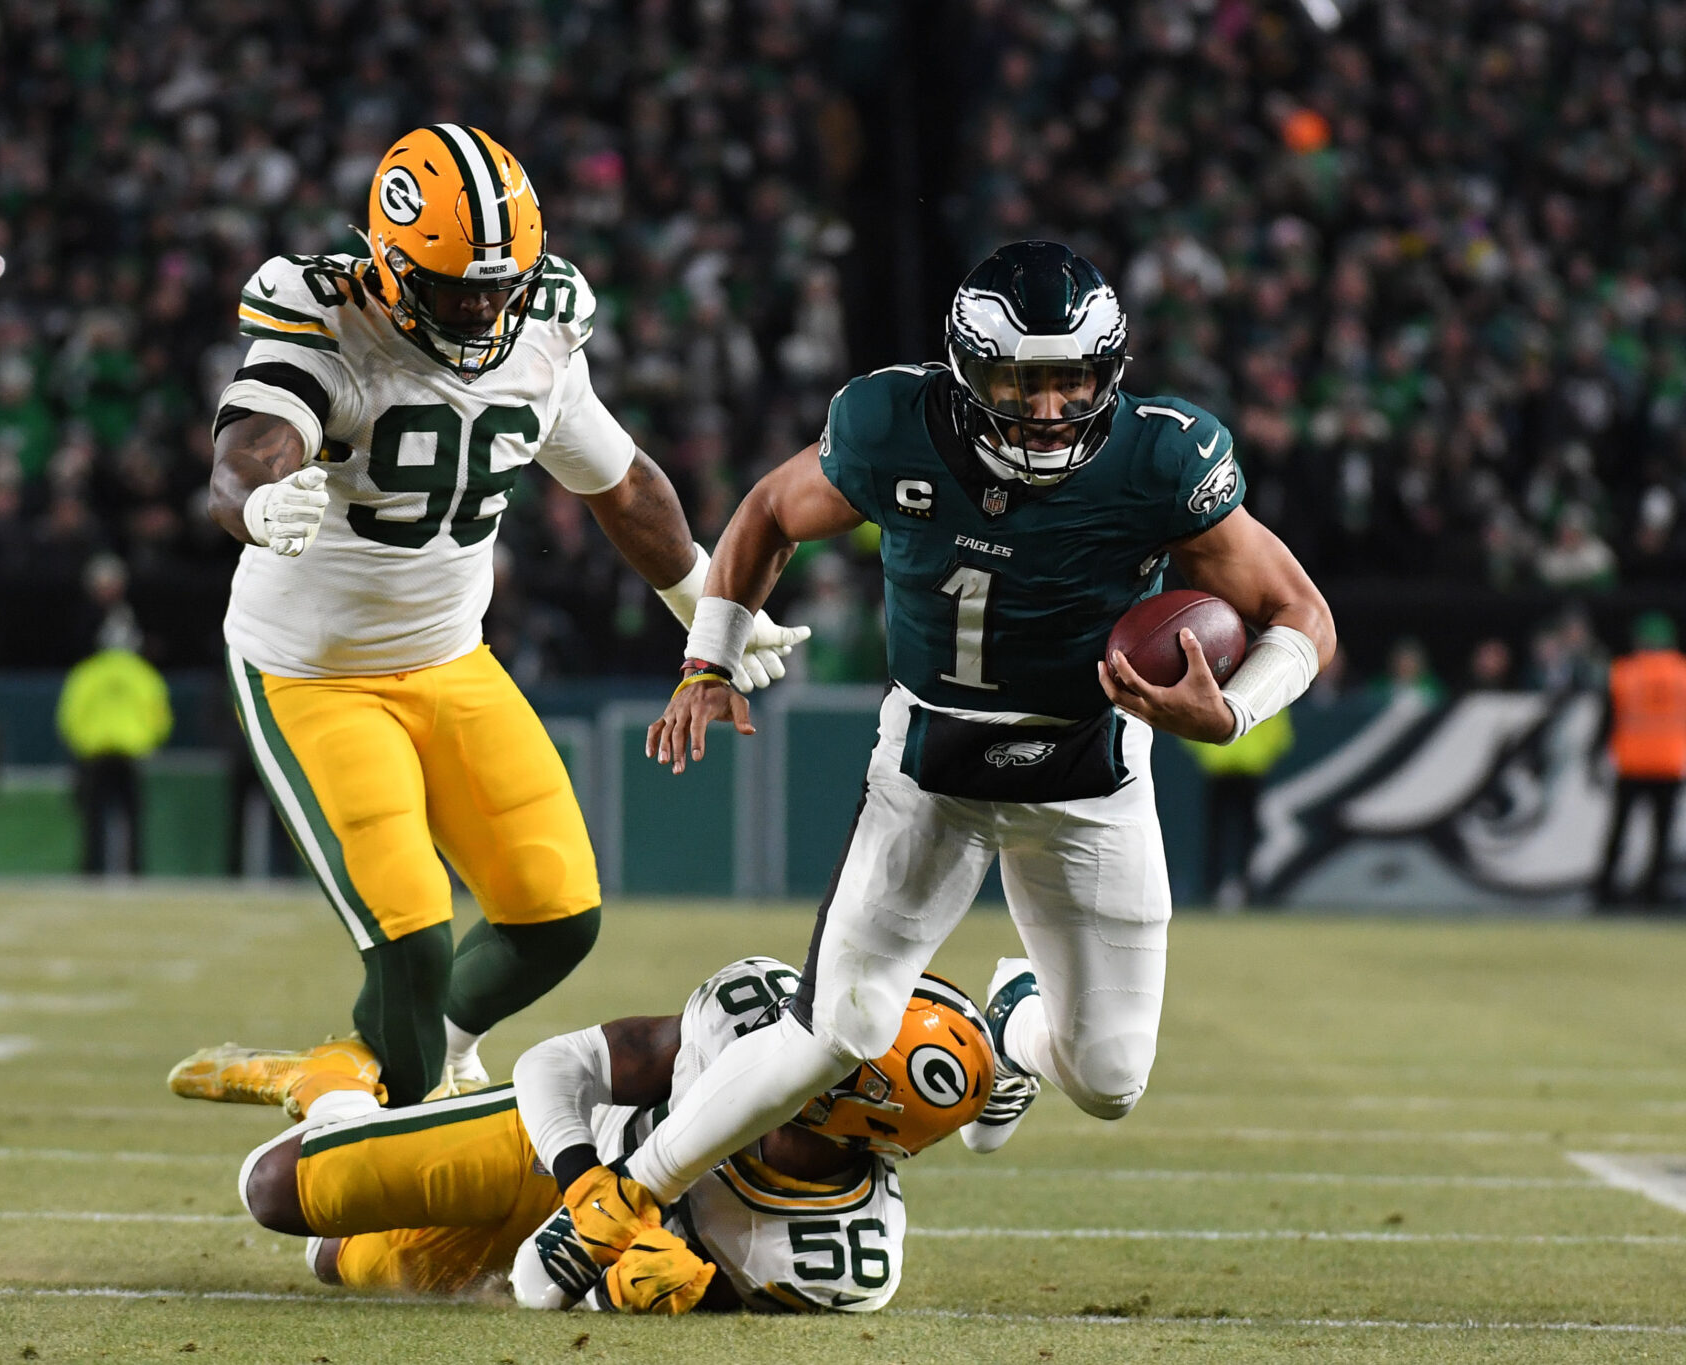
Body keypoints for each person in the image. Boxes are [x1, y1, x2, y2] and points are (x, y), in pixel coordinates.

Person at [635, 241, 1336, 1216]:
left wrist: (1232, 711)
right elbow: (766, 513)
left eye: (1074, 380)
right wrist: (707, 660)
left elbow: (1300, 613)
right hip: (931, 771)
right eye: (1022, 381)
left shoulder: (1161, 457)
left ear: (1110, 372)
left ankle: (1008, 1025)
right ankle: (628, 1194)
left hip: (1087, 778)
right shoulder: (891, 426)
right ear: (970, 372)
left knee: (1108, 1083)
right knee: (835, 1027)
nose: (1050, 409)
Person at [205, 125, 805, 1104]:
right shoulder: (335, 328)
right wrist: (255, 502)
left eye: (499, 282)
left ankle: (376, 1066)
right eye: (457, 287)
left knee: (554, 915)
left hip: (450, 660)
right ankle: (363, 1193)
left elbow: (620, 483)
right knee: (409, 941)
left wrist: (703, 597)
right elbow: (252, 444)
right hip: (309, 675)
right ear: (390, 270)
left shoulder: (539, 336)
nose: (484, 306)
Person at [167, 956, 993, 1314]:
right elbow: (557, 1063)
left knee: (340, 1265)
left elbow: (704, 1299)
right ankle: (334, 1085)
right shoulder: (750, 1016)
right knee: (275, 1189)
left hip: (600, 1243)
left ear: (860, 1122)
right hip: (566, 1145)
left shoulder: (845, 1252)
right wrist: (584, 1179)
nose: (805, 1029)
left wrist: (693, 1296)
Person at [55, 620, 171, 875]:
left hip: (94, 756)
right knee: (132, 819)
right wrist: (148, 743)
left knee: (92, 820)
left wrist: (81, 744)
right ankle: (133, 872)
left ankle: (90, 871)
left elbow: (69, 716)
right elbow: (160, 717)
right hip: (129, 756)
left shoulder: (86, 674)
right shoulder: (144, 675)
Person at [1592, 611, 1686, 910]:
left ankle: (1605, 892)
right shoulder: (1682, 673)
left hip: (1631, 762)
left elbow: (1608, 720)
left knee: (1619, 830)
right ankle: (1653, 893)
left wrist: (1595, 754)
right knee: (1661, 834)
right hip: (1670, 763)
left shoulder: (1624, 672)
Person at [1184, 711, 1294, 908]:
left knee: (1245, 835)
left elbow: (1279, 733)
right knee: (1219, 834)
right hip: (1221, 772)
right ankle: (1213, 889)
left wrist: (1260, 757)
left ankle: (1246, 888)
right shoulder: (1219, 687)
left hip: (1248, 772)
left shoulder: (1264, 688)